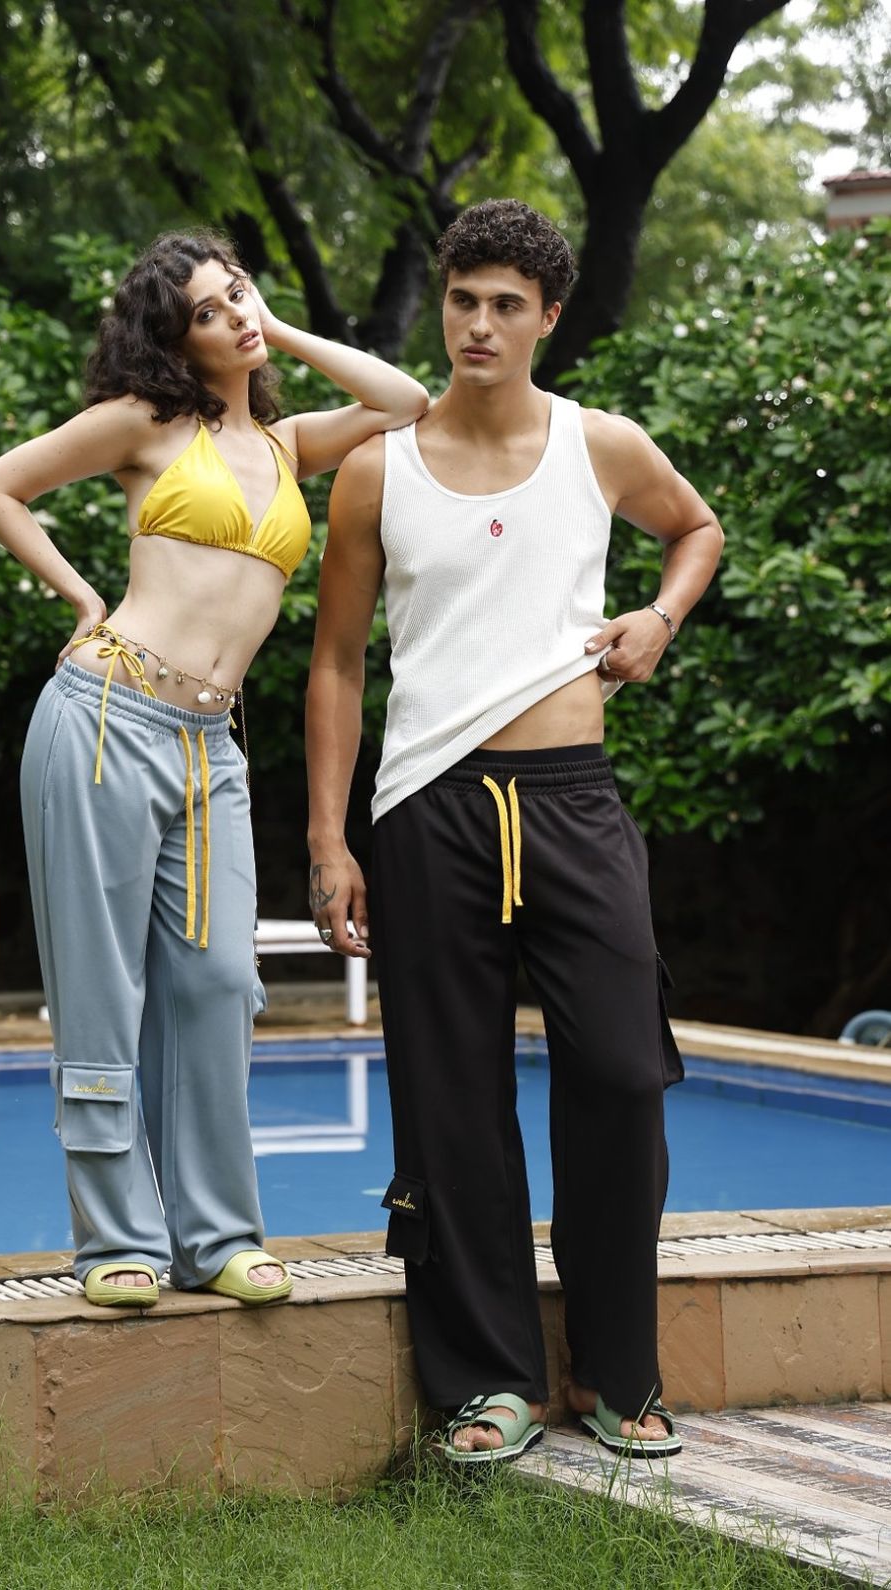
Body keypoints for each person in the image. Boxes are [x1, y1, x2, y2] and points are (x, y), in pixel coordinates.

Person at [305, 199, 724, 1461]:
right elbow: (335, 664)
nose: (477, 325)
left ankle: (615, 1371)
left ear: (546, 317)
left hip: (572, 799)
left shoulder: (600, 445)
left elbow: (696, 529)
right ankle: (487, 1380)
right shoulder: (378, 469)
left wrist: (659, 618)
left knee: (622, 1070)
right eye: (461, 300)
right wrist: (328, 841)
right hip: (427, 806)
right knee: (451, 1096)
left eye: (504, 305)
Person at [0, 230, 428, 1310]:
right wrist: (83, 595)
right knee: (102, 987)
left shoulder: (290, 446)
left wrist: (279, 331)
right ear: (175, 338)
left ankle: (215, 1238)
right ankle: (114, 1242)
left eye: (240, 295)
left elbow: (405, 401)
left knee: (219, 983)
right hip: (105, 718)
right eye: (210, 311)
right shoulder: (146, 423)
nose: (235, 317)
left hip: (211, 746)